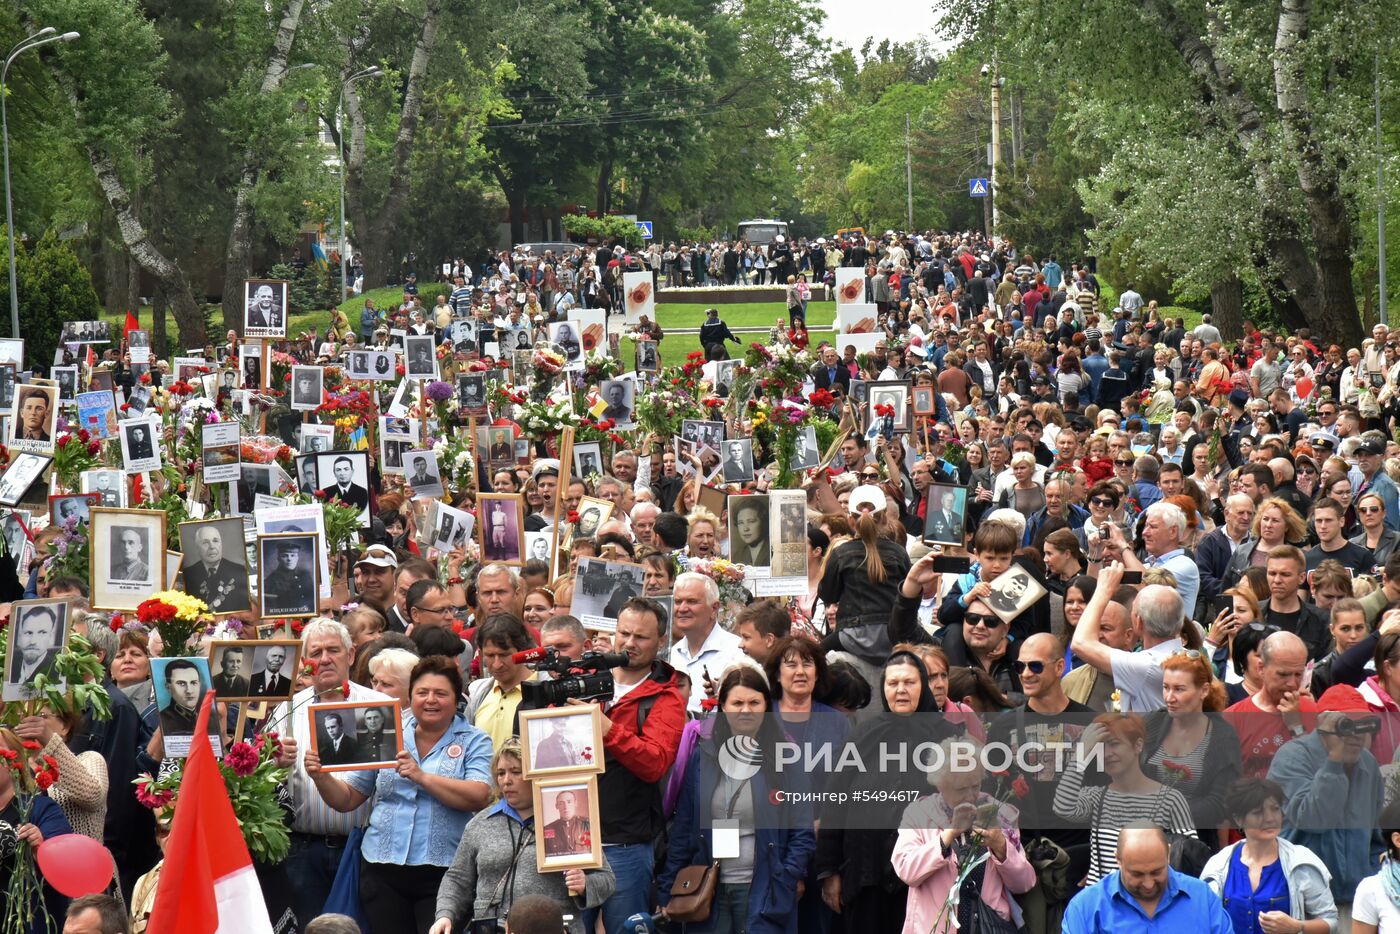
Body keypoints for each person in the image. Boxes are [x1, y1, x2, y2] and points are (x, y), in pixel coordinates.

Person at [305, 656, 492, 933]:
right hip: (382, 868)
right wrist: (321, 777)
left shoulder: (474, 739)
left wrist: (422, 777)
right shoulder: (385, 733)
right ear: (410, 696)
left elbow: (480, 795)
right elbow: (347, 799)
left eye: (441, 693)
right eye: (422, 692)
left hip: (445, 873)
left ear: (456, 699)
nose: (430, 700)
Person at [658, 666, 815, 934]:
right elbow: (683, 828)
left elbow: (802, 831)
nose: (745, 710)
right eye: (737, 702)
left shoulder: (785, 759)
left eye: (754, 702)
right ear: (723, 706)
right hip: (708, 888)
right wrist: (667, 887)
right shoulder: (703, 756)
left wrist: (786, 877)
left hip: (765, 889)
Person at [429, 739, 614, 934]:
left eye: (516, 772)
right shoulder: (480, 824)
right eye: (501, 773)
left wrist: (585, 884)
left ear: (536, 774)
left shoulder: (570, 823)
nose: (506, 780)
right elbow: (457, 879)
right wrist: (445, 915)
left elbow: (606, 879)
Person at [892, 735, 1036, 934]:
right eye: (961, 789)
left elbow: (1024, 883)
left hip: (990, 926)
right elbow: (907, 871)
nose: (970, 795)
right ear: (940, 785)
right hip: (936, 927)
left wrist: (1000, 846)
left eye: (975, 786)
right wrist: (948, 835)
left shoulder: (1000, 813)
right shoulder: (918, 814)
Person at [1052, 713, 1197, 885]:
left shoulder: (1170, 799)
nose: (1106, 754)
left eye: (1114, 744)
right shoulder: (1097, 796)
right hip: (1103, 901)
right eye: (1099, 748)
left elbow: (1189, 856)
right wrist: (1081, 754)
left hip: (1151, 897)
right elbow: (1062, 807)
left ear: (1138, 746)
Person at [1200, 778, 1338, 934]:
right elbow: (1202, 919)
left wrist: (1297, 926)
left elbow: (1331, 922)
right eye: (1258, 812)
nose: (1270, 818)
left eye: (1275, 809)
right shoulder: (1219, 864)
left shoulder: (1301, 862)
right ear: (1239, 819)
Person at [1061, 827, 1233, 932]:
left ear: (1168, 854)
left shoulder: (1202, 897)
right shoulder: (1086, 907)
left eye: (1157, 872)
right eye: (1137, 874)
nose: (1149, 884)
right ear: (1118, 860)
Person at [182, 524, 247, 613]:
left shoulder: (239, 571)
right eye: (205, 542)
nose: (212, 546)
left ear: (221, 544)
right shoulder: (188, 574)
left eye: (215, 541)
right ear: (197, 548)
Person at [9, 604, 60, 686]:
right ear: (20, 635)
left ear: (51, 636)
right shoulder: (10, 664)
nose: (33, 641)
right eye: (28, 633)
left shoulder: (57, 670)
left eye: (42, 633)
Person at [263, 541, 314, 615]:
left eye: (293, 555)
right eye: (284, 556)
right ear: (278, 558)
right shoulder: (270, 581)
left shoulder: (305, 576)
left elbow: (311, 601)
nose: (289, 559)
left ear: (297, 558)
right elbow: (271, 610)